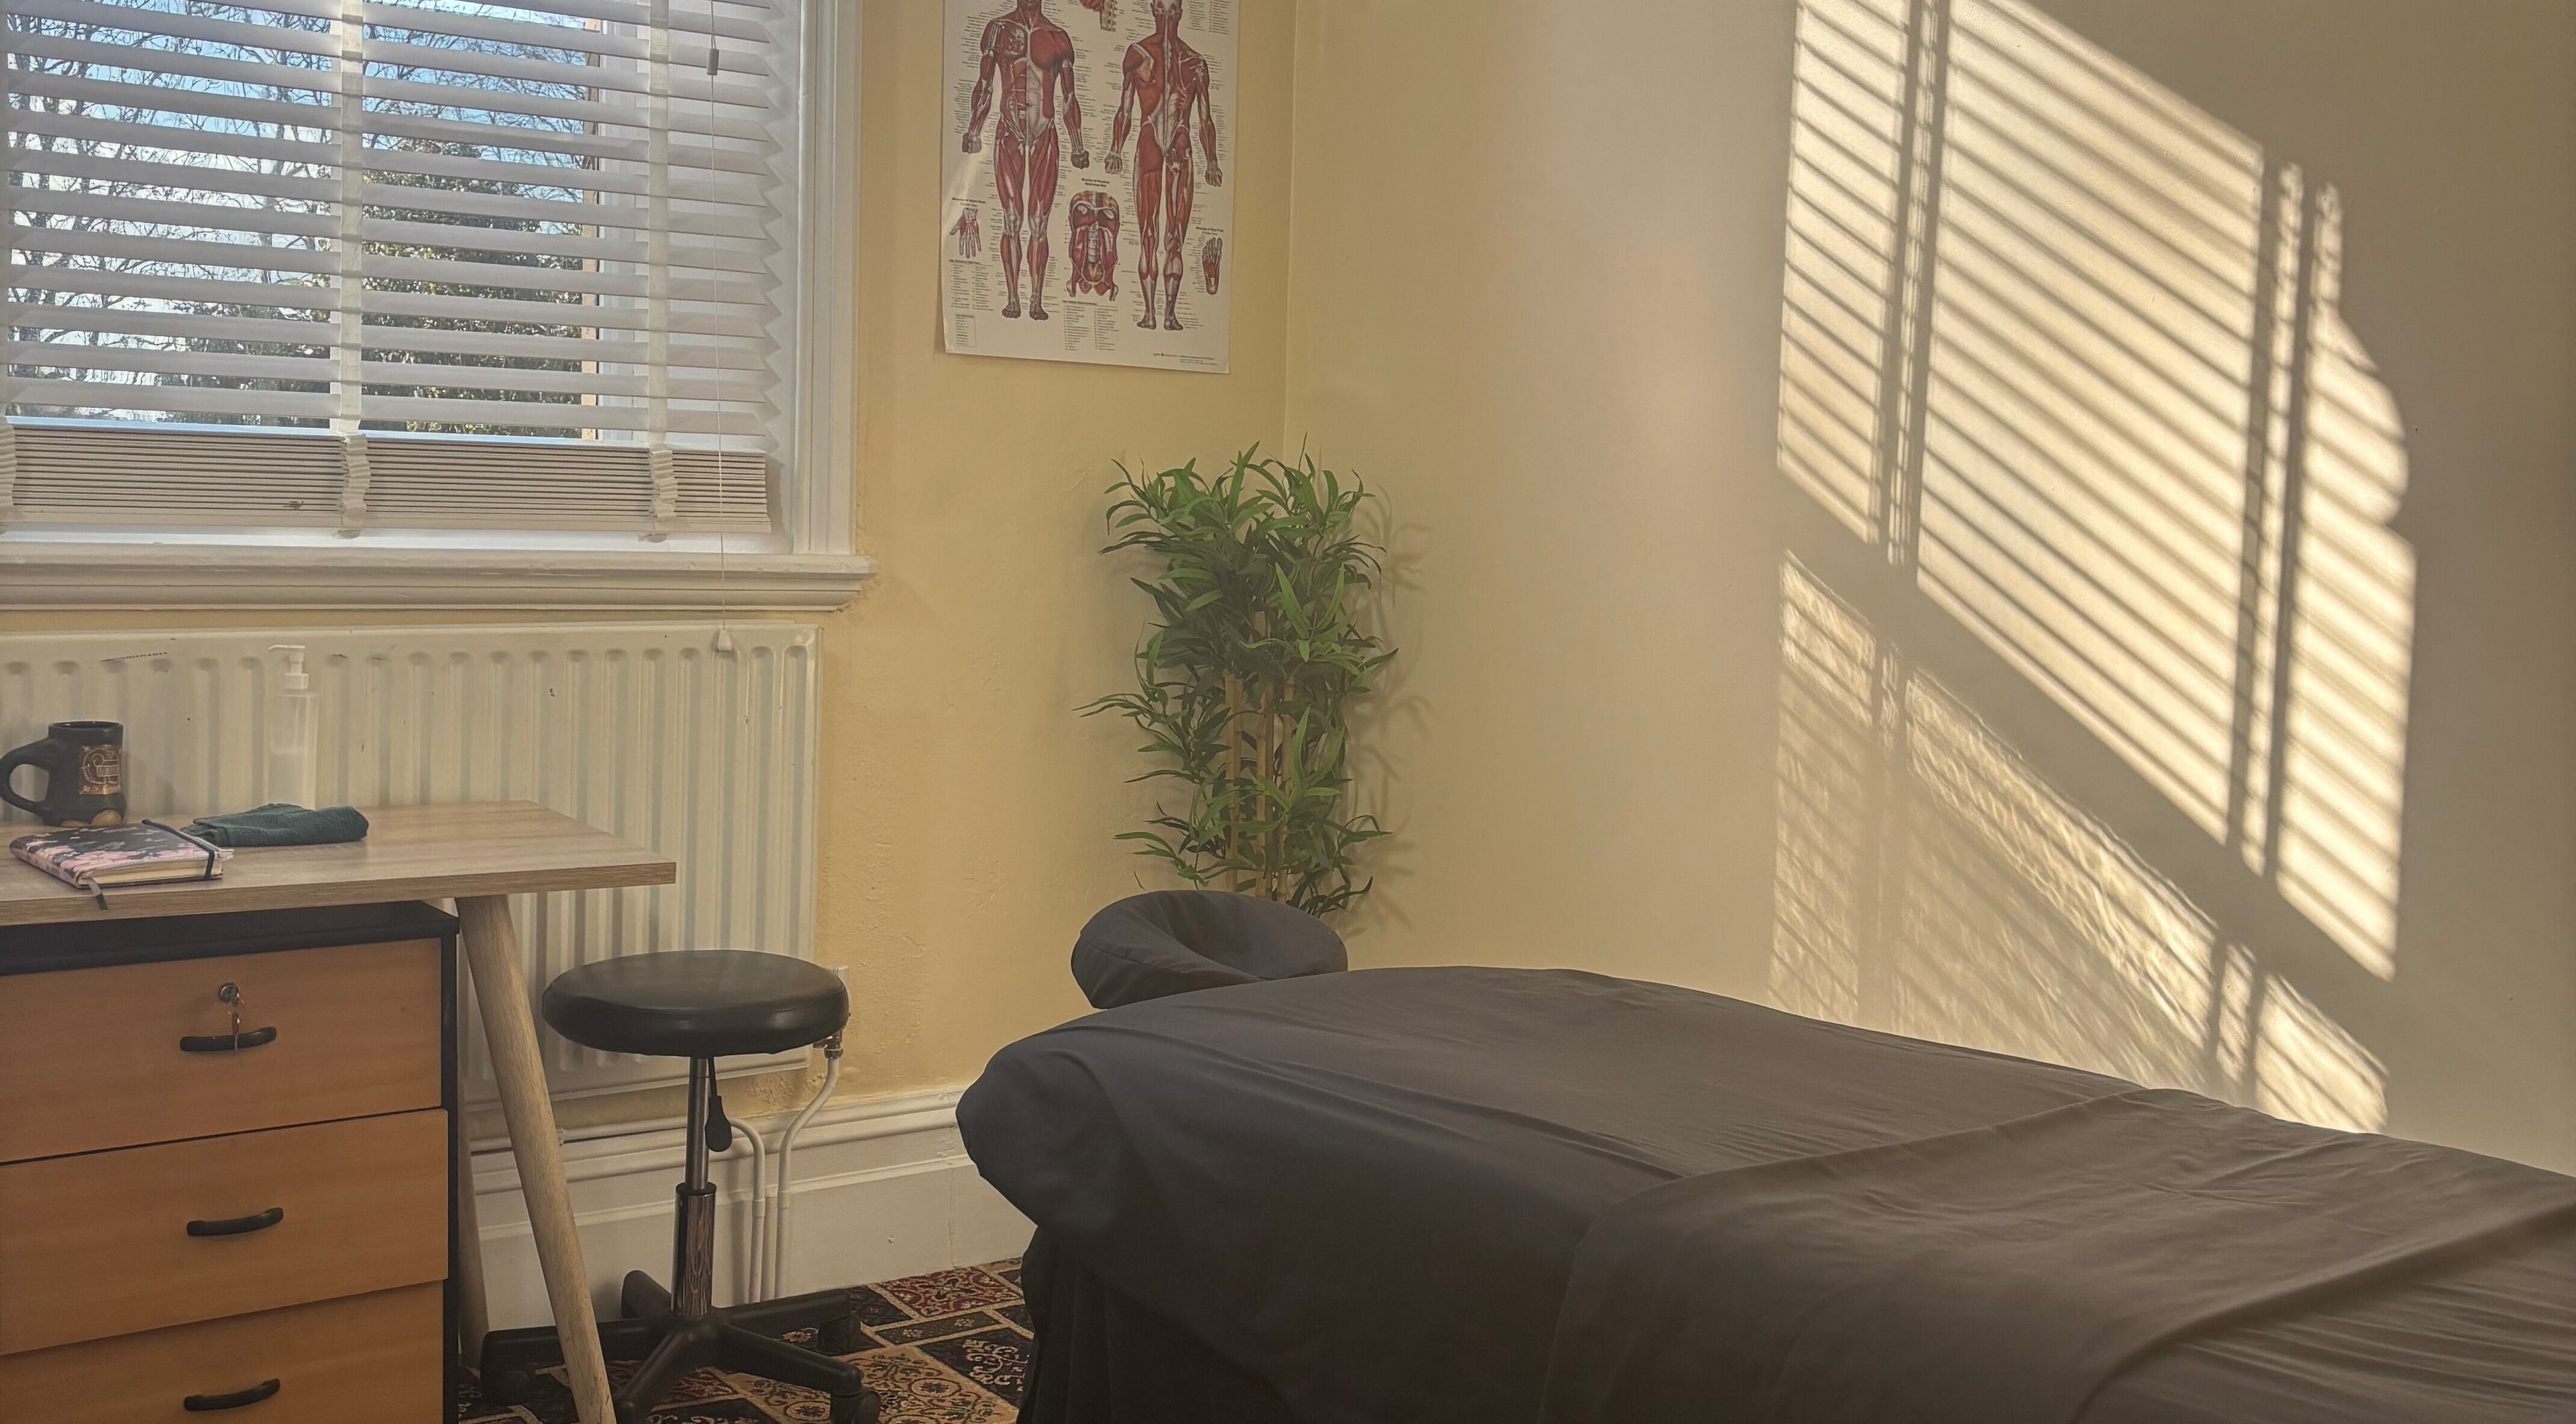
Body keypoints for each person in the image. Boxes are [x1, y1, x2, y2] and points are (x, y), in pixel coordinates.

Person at [963, 0, 1089, 321]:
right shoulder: (998, 30)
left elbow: (1069, 97)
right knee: (1011, 218)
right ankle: (1012, 298)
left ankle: (1036, 299)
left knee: (1039, 222)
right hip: (1010, 131)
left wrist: (1077, 144)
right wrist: (974, 129)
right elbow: (984, 84)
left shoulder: (1058, 37)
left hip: (1045, 132)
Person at [1104, 0, 1222, 331]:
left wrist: (1212, 160)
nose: (1167, 14)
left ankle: (1168, 313)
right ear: (1153, 8)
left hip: (1179, 150)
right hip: (1149, 145)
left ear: (1180, 12)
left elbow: (1205, 119)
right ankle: (1150, 313)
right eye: (1162, 7)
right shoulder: (1138, 54)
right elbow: (1125, 108)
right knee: (1148, 234)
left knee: (1175, 236)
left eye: (1172, 8)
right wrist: (1115, 149)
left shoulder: (1196, 63)